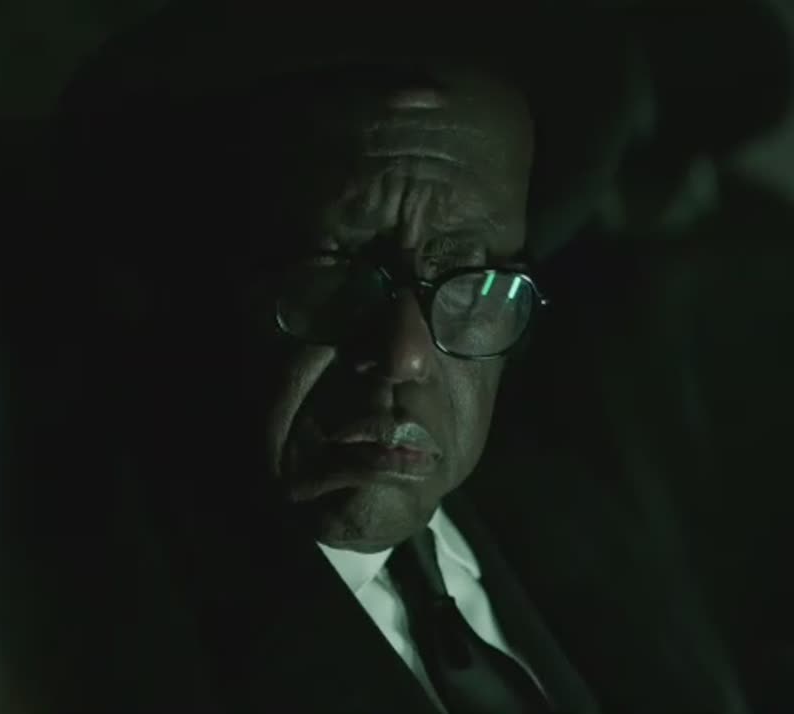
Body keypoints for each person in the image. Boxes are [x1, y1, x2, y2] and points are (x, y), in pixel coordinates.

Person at [47, 2, 754, 712]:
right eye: (333, 272)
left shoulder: (585, 529)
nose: (404, 356)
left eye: (468, 277)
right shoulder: (86, 614)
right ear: (204, 283)